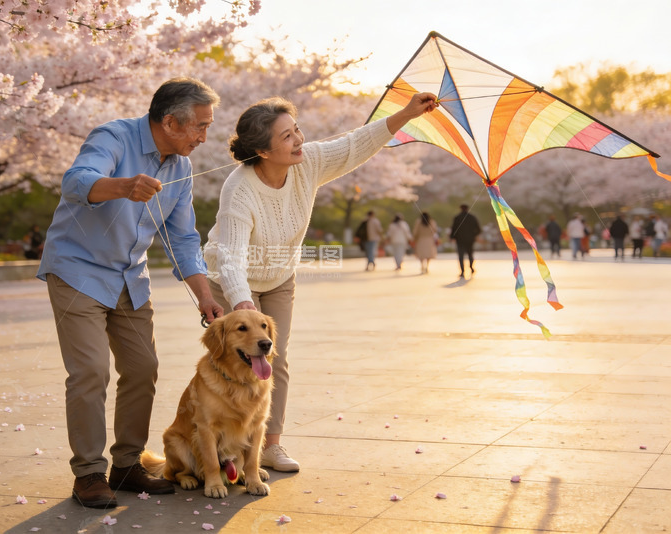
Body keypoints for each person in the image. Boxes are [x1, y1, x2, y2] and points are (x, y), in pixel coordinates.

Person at [203, 92, 438, 473]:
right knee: (231, 363)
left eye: (296, 130)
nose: (298, 140)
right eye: (286, 137)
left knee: (272, 359)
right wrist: (242, 300)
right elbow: (230, 255)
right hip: (233, 280)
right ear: (262, 151)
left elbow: (354, 145)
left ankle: (268, 445)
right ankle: (223, 447)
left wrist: (407, 113)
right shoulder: (239, 189)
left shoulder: (307, 161)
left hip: (279, 276)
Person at [37, 78, 224, 509]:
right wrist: (123, 186)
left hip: (129, 278)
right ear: (171, 121)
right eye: (199, 126)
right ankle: (88, 473)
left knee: (143, 368)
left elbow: (182, 238)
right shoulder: (113, 136)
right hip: (77, 270)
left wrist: (204, 295)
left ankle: (126, 465)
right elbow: (76, 181)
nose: (203, 137)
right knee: (90, 372)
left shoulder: (180, 167)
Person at [449, 204, 481, 278]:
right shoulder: (472, 217)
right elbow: (478, 229)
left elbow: (454, 229)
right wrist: (473, 235)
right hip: (470, 240)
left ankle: (462, 271)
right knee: (470, 255)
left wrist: (452, 237)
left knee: (461, 256)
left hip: (460, 240)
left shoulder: (457, 218)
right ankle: (471, 268)